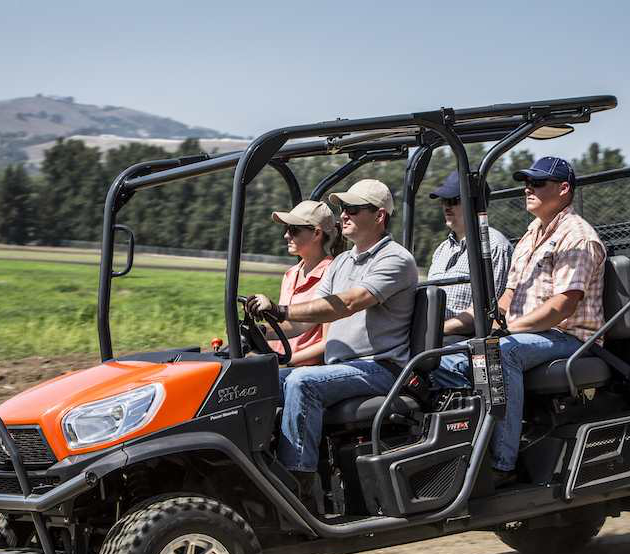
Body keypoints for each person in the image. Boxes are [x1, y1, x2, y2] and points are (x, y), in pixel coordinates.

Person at [435, 157, 607, 485]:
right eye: (527, 182)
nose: (528, 188)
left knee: (502, 352)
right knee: (450, 354)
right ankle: (461, 449)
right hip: (532, 334)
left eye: (538, 183)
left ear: (564, 189)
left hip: (569, 337)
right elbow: (509, 294)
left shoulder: (577, 236)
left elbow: (562, 306)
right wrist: (492, 323)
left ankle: (502, 464)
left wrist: (509, 330)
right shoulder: (530, 235)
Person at [247, 179, 418, 484]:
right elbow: (304, 321)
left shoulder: (395, 259)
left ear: (379, 216)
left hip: (380, 367)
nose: (344, 215)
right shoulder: (341, 262)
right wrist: (261, 329)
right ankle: (255, 468)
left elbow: (349, 303)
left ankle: (298, 482)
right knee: (258, 378)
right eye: (342, 208)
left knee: (302, 381)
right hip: (344, 368)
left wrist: (280, 309)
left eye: (352, 208)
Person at [427, 170, 512, 322]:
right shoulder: (441, 250)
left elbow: (489, 312)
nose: (447, 206)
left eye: (454, 200)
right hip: (433, 335)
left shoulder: (495, 246)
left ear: (475, 203)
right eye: (444, 201)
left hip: (463, 339)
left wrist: (438, 330)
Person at [265, 200, 343, 366]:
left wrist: (285, 361)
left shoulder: (333, 274)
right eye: (286, 229)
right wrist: (258, 332)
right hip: (279, 363)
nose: (286, 235)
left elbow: (327, 342)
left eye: (293, 230)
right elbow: (285, 326)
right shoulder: (290, 274)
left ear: (316, 234)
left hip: (303, 370)